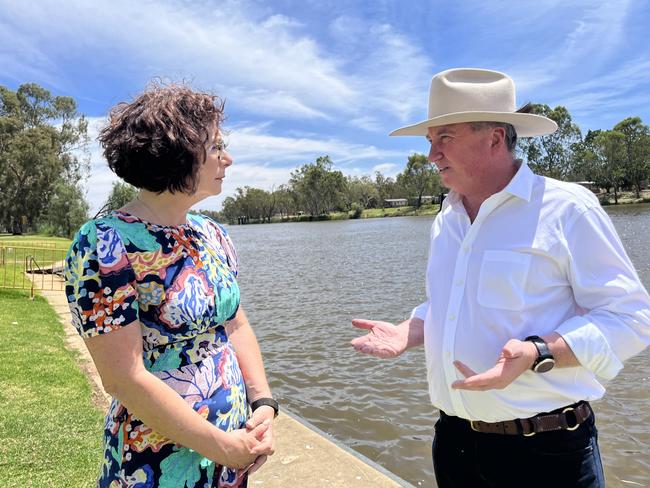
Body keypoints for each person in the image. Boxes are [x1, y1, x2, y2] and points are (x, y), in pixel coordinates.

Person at [351, 68, 650, 487]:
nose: (432, 155)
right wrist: (411, 330)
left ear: (494, 137)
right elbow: (451, 303)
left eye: (445, 139)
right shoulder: (447, 217)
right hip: (455, 443)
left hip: (547, 452)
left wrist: (539, 353)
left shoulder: (567, 209)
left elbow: (631, 319)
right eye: (430, 141)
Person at [64, 82, 278, 487]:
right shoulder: (104, 244)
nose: (227, 159)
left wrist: (262, 403)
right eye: (215, 147)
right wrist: (222, 446)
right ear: (177, 155)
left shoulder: (213, 234)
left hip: (232, 444)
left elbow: (235, 325)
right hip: (156, 459)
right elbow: (124, 377)